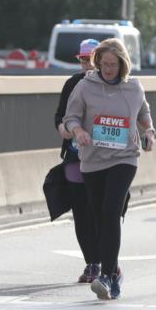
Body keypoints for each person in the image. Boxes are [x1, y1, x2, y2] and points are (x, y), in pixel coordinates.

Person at [63, 38, 155, 301]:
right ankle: (114, 271)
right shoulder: (85, 86)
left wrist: (148, 130)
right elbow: (70, 117)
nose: (108, 69)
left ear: (123, 64)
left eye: (113, 65)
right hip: (92, 159)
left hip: (124, 157)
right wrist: (78, 131)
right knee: (97, 216)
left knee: (111, 211)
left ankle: (107, 275)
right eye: (103, 64)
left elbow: (143, 112)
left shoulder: (134, 87)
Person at [54, 38, 102, 282]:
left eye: (93, 59)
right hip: (75, 158)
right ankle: (92, 264)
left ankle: (106, 260)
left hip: (106, 160)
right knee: (82, 212)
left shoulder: (115, 85)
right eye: (84, 59)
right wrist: (64, 128)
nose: (88, 64)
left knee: (102, 212)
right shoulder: (73, 83)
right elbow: (59, 116)